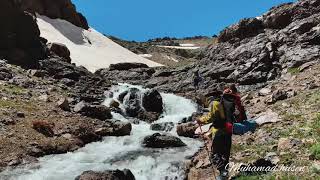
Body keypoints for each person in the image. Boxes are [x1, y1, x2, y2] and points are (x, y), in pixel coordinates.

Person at [196, 87, 236, 179]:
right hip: (228, 129)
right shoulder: (225, 102)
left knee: (215, 153)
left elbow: (211, 117)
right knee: (225, 152)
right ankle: (225, 172)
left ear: (212, 96)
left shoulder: (215, 103)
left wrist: (200, 120)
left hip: (219, 130)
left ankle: (222, 172)